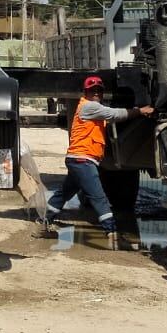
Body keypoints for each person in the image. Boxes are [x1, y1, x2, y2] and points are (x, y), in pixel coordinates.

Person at [46, 76, 154, 233]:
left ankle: (44, 219)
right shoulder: (89, 107)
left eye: (99, 90)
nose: (96, 93)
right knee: (98, 196)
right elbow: (114, 114)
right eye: (92, 90)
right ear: (86, 92)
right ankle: (111, 230)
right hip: (83, 160)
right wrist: (140, 111)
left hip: (77, 159)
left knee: (65, 192)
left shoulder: (93, 109)